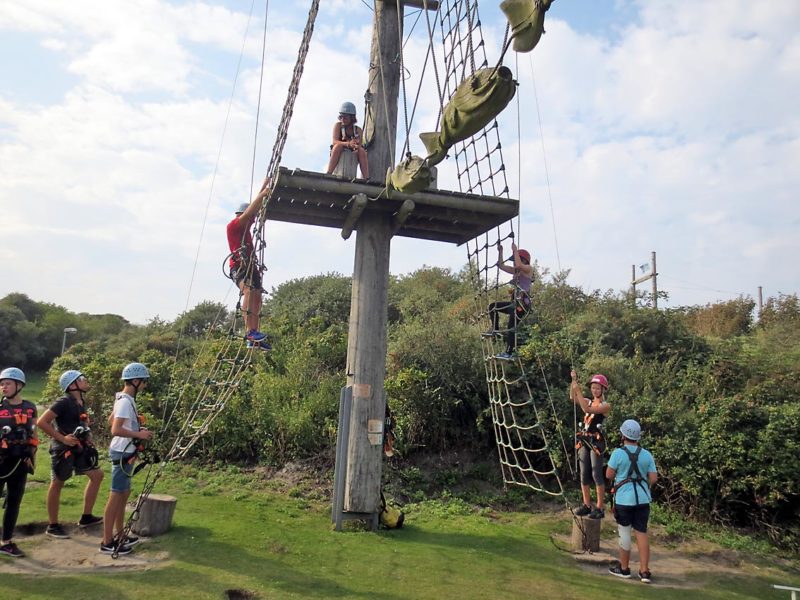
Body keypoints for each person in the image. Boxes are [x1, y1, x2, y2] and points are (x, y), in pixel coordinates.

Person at [37, 369, 104, 539]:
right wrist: (63, 438)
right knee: (58, 483)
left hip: (79, 448)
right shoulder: (64, 401)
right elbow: (42, 422)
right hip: (62, 450)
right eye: (82, 379)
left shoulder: (80, 401)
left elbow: (81, 423)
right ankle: (52, 526)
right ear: (72, 385)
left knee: (97, 475)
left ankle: (86, 517)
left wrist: (88, 437)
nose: (86, 380)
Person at [100, 362, 154, 555]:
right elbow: (115, 429)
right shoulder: (125, 401)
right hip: (122, 453)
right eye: (144, 382)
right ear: (136, 381)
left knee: (123, 494)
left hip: (125, 452)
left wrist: (136, 430)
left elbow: (111, 420)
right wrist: (138, 435)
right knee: (116, 495)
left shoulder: (124, 399)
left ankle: (120, 533)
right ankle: (107, 542)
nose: (145, 385)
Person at [607, 419, 658, 583]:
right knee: (641, 533)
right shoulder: (646, 454)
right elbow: (653, 478)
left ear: (623, 435)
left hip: (623, 499)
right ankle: (644, 572)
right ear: (638, 437)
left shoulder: (617, 453)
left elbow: (608, 475)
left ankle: (624, 568)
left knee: (625, 532)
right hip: (643, 499)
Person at [226, 178, 272, 349]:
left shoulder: (245, 224)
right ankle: (249, 332)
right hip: (239, 266)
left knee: (257, 296)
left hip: (251, 267)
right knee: (248, 291)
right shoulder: (234, 226)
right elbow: (250, 212)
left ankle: (255, 337)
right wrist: (262, 194)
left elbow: (253, 209)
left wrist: (264, 187)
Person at [0, 367, 38, 558]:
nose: (3, 387)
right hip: (1, 461)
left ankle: (6, 542)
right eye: (2, 383)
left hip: (21, 462)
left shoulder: (30, 407)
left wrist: (33, 458)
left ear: (19, 385)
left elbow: (34, 434)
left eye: (7, 383)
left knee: (14, 502)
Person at [570, 370, 611, 519]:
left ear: (603, 390)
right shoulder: (587, 400)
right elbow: (573, 397)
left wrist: (578, 390)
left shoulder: (605, 406)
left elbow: (587, 409)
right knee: (583, 473)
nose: (595, 390)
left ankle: (599, 507)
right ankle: (587, 504)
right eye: (593, 387)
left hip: (596, 441)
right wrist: (573, 382)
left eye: (598, 388)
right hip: (585, 440)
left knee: (596, 474)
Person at [486, 241, 533, 360]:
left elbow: (519, 265)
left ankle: (509, 352)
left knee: (511, 326)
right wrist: (500, 252)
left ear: (524, 260)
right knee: (492, 306)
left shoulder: (528, 269)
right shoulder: (516, 271)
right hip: (514, 303)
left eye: (516, 259)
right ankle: (495, 330)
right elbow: (501, 266)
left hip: (522, 305)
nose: (514, 262)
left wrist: (515, 250)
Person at [326, 101, 369, 180]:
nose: (342, 119)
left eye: (345, 117)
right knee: (337, 146)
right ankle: (329, 173)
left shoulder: (358, 130)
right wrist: (348, 144)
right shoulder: (338, 126)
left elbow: (359, 146)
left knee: (362, 151)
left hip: (352, 152)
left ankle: (366, 178)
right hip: (339, 150)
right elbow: (334, 141)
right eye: (341, 117)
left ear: (352, 118)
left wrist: (356, 145)